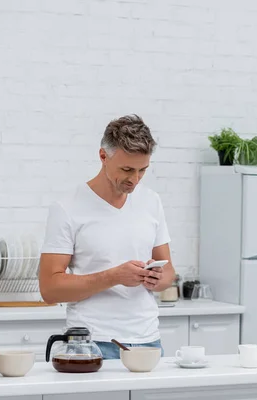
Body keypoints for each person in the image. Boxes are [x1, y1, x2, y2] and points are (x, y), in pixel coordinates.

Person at [39, 114, 175, 360]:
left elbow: (169, 274)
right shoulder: (67, 208)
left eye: (142, 170)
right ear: (103, 156)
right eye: (126, 169)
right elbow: (49, 289)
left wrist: (155, 278)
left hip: (149, 342)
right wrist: (114, 276)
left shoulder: (151, 201)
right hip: (92, 343)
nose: (134, 179)